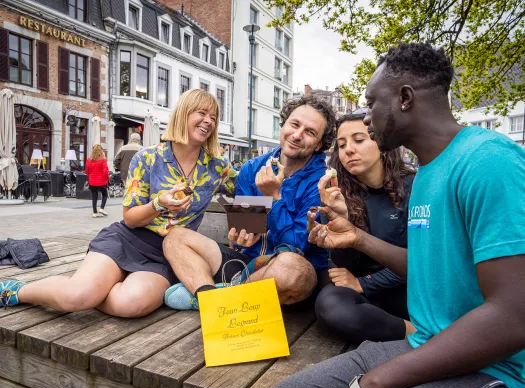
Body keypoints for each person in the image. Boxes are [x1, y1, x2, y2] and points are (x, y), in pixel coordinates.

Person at [267, 42, 525, 388]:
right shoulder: (427, 175)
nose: (367, 116)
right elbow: (427, 266)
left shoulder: (488, 161)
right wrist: (356, 238)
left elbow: (515, 315)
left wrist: (372, 386)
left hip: (500, 368)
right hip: (427, 342)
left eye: (372, 103)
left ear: (405, 98)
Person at [0, 89, 236, 318]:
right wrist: (159, 205)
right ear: (184, 114)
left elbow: (248, 185)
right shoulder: (148, 158)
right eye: (201, 113)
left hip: (168, 254)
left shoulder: (217, 167)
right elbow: (130, 218)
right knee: (77, 297)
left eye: (213, 117)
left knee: (130, 304)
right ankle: (18, 290)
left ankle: (89, 289)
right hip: (128, 239)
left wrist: (267, 189)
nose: (208, 121)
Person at [162, 94, 336, 310]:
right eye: (294, 124)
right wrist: (240, 236)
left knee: (290, 268)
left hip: (290, 275)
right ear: (284, 124)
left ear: (320, 143)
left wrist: (274, 196)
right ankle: (212, 299)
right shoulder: (253, 168)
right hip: (248, 267)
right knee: (176, 237)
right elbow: (247, 229)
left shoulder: (323, 181)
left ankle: (218, 298)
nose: (297, 135)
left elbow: (294, 247)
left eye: (310, 132)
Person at [314, 111, 416, 344]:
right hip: (364, 293)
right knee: (330, 306)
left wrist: (364, 282)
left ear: (381, 142)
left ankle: (414, 333)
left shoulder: (415, 187)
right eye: (341, 145)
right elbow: (345, 264)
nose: (348, 149)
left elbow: (420, 261)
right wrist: (340, 218)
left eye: (359, 140)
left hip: (407, 289)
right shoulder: (341, 194)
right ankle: (411, 332)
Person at [84, 144, 109, 218]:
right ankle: (101, 208)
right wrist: (107, 178)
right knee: (105, 194)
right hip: (101, 182)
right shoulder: (103, 160)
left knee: (94, 196)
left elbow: (86, 171)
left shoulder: (89, 160)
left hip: (92, 182)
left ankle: (94, 212)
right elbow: (105, 172)